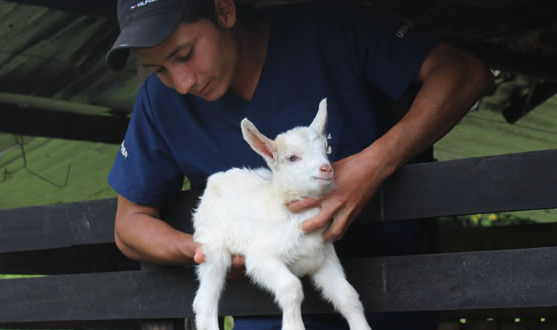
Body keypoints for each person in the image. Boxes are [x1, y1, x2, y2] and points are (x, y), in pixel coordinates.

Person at [105, 0, 490, 328]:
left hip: (391, 303)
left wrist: (373, 165)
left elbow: (464, 73)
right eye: (160, 69)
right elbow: (129, 226)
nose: (183, 82)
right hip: (268, 314)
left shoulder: (332, 28)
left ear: (223, 10)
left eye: (184, 54)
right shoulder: (161, 102)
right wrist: (201, 248)